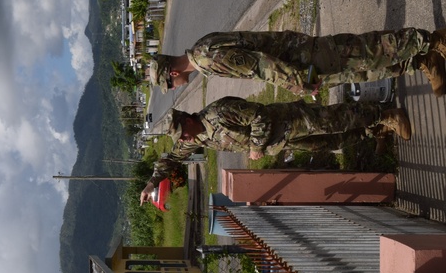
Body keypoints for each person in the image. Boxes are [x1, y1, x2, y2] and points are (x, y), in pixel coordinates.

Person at [138, 96, 411, 205]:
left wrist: (256, 147)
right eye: (181, 138)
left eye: (182, 133)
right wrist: (152, 183)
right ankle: (374, 130)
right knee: (333, 143)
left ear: (187, 119)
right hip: (283, 142)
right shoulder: (195, 138)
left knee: (335, 119)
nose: (183, 139)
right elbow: (171, 158)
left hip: (290, 120)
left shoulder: (220, 112)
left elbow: (260, 116)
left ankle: (385, 114)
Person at [149, 28, 446, 97]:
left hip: (301, 59)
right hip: (300, 61)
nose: (173, 88)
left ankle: (433, 40)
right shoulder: (201, 49)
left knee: (368, 50)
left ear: (172, 73)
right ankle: (422, 61)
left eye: (169, 84)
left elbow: (261, 65)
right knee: (364, 69)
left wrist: (298, 85)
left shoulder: (207, 59)